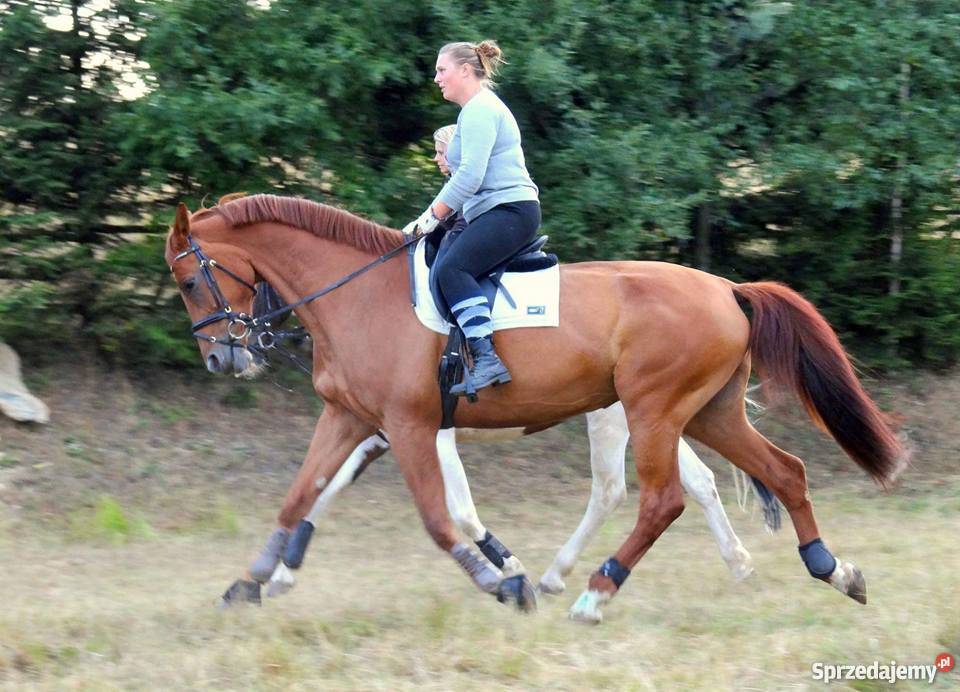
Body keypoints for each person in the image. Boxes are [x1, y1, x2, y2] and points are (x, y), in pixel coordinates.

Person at [405, 40, 540, 395]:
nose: (436, 78)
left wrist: (429, 217)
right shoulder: (473, 111)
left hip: (510, 210)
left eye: (441, 70)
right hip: (497, 211)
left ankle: (486, 358)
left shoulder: (480, 109)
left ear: (465, 70)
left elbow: (469, 177)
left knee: (453, 270)